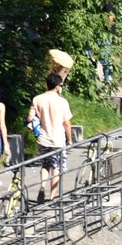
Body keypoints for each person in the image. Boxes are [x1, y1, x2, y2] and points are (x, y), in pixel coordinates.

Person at [27, 70, 75, 198]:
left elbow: (30, 118)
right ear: (57, 86)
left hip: (43, 138)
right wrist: (69, 139)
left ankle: (42, 186)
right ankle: (52, 197)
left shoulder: (37, 99)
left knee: (45, 164)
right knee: (56, 168)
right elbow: (66, 123)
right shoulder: (62, 102)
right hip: (58, 140)